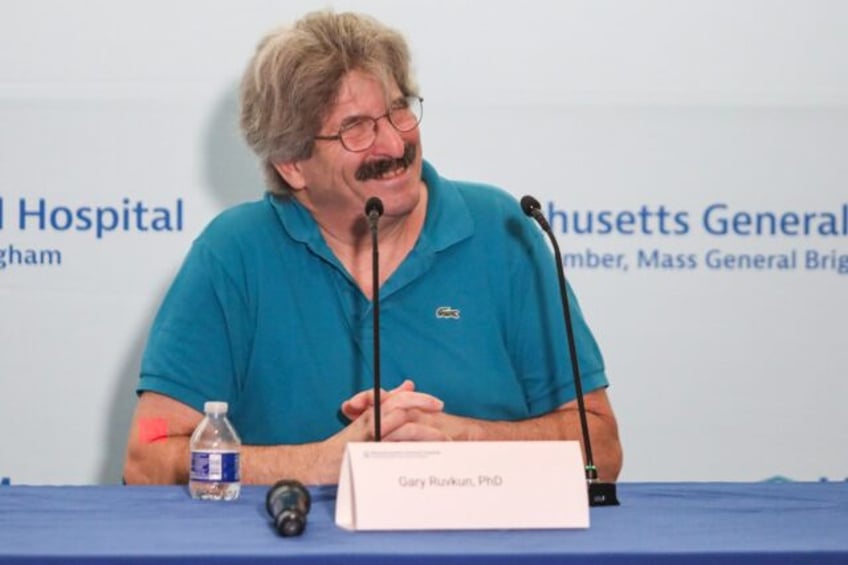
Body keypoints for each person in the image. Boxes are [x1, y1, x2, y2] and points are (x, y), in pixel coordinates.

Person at [123, 10, 622, 485]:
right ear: (292, 163)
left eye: (399, 109)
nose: (393, 143)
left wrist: (459, 440)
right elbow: (149, 456)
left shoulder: (501, 231)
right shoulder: (233, 253)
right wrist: (318, 463)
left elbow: (600, 447)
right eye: (355, 128)